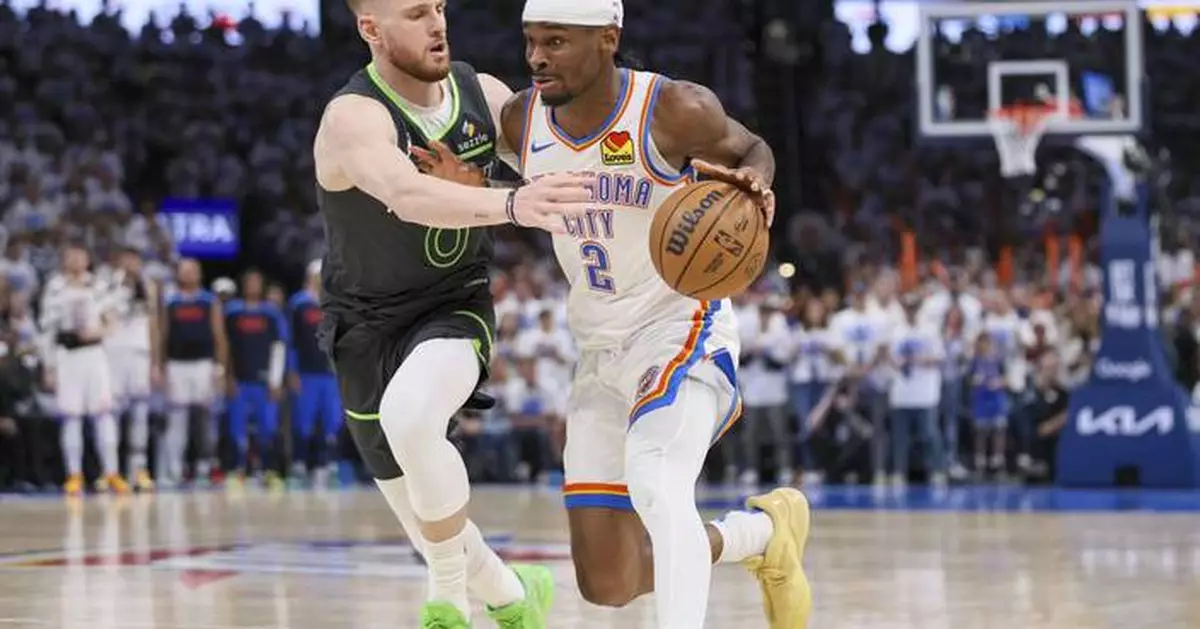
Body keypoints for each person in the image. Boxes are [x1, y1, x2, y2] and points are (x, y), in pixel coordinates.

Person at [487, 2, 812, 627]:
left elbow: (753, 148)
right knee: (610, 581)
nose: (536, 57)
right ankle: (761, 536)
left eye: (556, 41)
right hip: (598, 349)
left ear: (608, 39)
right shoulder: (522, 120)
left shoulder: (672, 108)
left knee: (658, 484)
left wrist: (752, 185)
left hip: (680, 325)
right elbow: (486, 164)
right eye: (530, 41)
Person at [312, 0, 592, 626]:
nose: (437, 23)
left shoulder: (484, 95)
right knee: (431, 522)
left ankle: (443, 606)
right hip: (362, 327)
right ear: (371, 30)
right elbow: (408, 195)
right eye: (415, 14)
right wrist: (511, 202)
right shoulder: (352, 117)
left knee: (409, 418)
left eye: (438, 7)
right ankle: (517, 601)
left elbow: (571, 164)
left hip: (452, 307)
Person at [40, 244, 128, 496]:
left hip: (94, 354)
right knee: (71, 416)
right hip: (67, 356)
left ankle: (111, 472)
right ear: (63, 260)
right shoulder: (54, 287)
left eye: (81, 256)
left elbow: (113, 320)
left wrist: (98, 331)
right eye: (70, 256)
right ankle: (74, 474)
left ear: (88, 259)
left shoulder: (99, 286)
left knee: (103, 413)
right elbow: (47, 330)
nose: (76, 260)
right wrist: (49, 366)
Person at [157, 259, 228, 488]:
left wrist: (220, 367)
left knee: (206, 419)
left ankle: (205, 467)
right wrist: (161, 365)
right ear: (178, 273)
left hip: (203, 365)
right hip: (177, 365)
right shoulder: (170, 300)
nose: (188, 274)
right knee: (176, 419)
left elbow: (219, 335)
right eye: (184, 270)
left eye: (192, 270)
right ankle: (174, 469)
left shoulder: (209, 301)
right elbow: (163, 335)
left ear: (199, 274)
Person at [223, 269, 289, 489]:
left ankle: (269, 470)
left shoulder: (271, 314)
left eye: (256, 282)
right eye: (249, 282)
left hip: (264, 383)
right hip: (240, 381)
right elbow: (225, 347)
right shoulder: (232, 312)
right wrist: (228, 376)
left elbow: (279, 347)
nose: (253, 286)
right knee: (236, 429)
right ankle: (237, 470)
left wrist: (276, 381)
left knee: (268, 428)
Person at [105, 246, 159, 491]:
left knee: (140, 412)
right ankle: (111, 471)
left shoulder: (148, 286)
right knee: (112, 413)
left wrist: (156, 361)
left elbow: (154, 324)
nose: (131, 265)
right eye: (126, 260)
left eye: (135, 260)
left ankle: (138, 470)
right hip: (113, 352)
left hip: (140, 353)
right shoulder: (105, 284)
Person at [288, 260, 342, 487]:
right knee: (304, 421)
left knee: (332, 422)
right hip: (306, 373)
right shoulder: (299, 304)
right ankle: (300, 465)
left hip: (330, 374)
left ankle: (328, 465)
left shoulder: (337, 303)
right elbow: (290, 339)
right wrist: (291, 371)